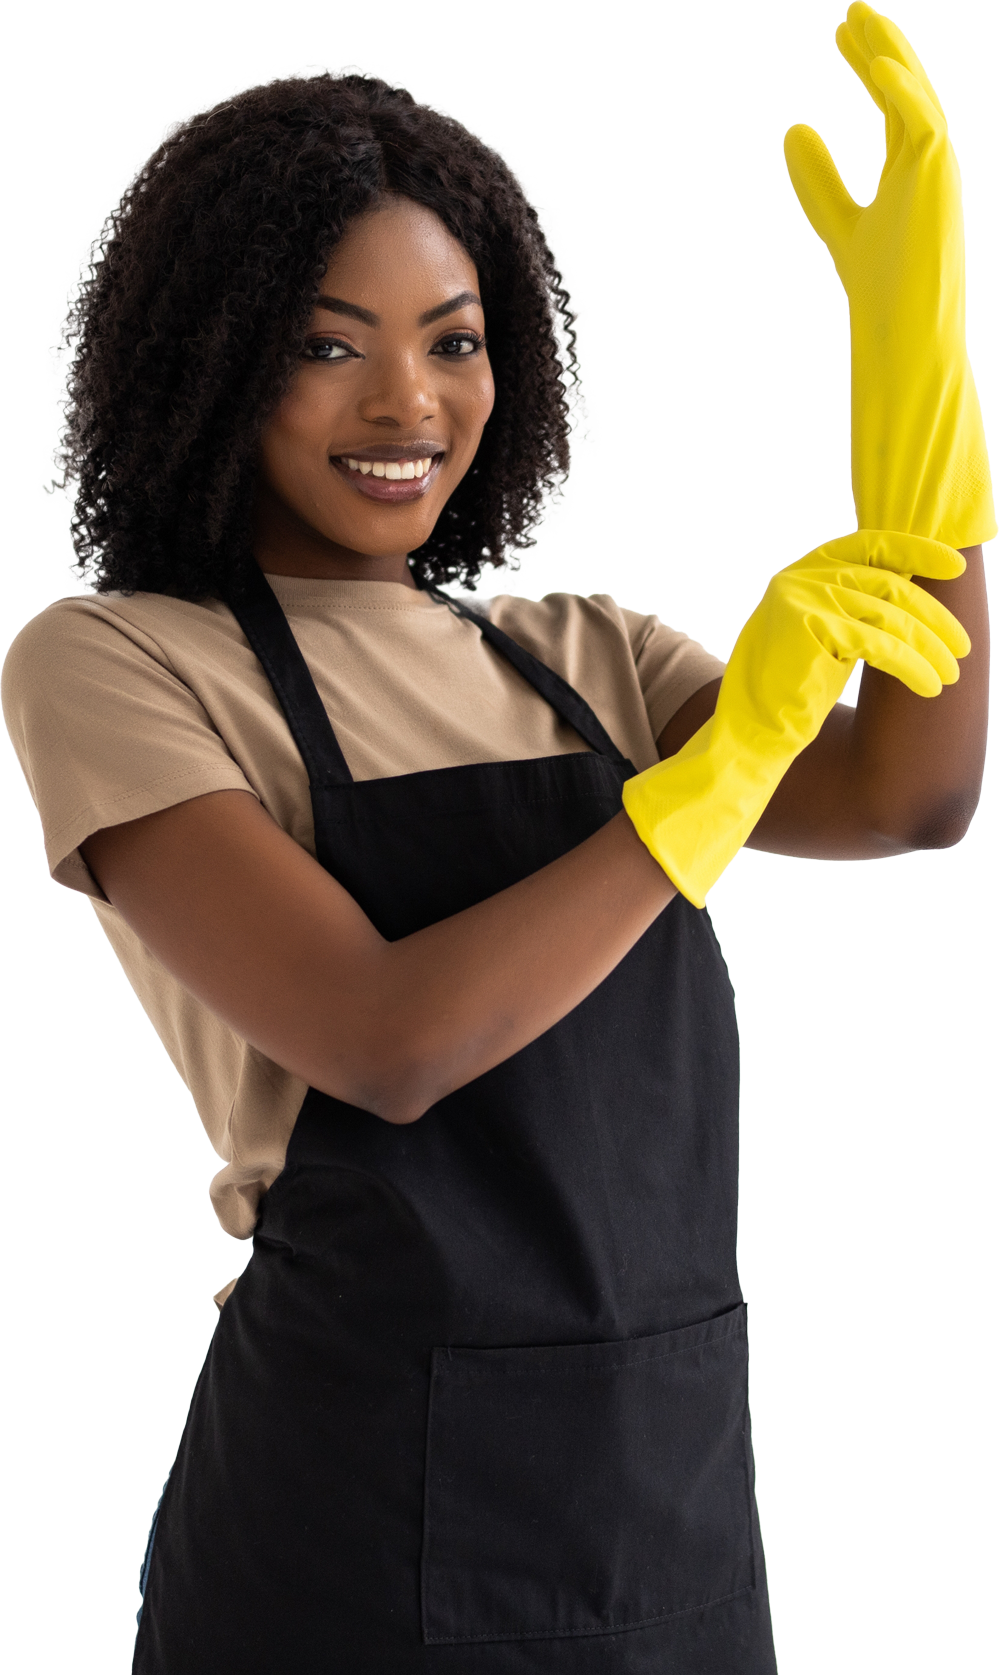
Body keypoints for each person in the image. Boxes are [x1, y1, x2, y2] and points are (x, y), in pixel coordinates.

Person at [1, 6, 993, 1671]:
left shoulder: (582, 650)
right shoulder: (119, 659)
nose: (408, 398)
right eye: (326, 345)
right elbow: (388, 1042)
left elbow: (914, 794)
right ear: (210, 355)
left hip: (665, 1483)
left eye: (454, 340)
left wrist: (923, 395)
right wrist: (711, 773)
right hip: (350, 1504)